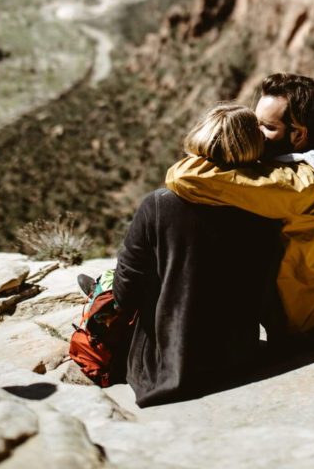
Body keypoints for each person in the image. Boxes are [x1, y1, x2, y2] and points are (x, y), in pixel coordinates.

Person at [166, 72, 314, 343]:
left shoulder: (292, 185)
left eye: (266, 127)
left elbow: (182, 176)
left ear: (298, 135)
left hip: (312, 326)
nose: (256, 133)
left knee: (173, 207)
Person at [112, 102, 279, 407]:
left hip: (167, 366)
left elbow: (125, 292)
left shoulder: (160, 204)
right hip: (237, 357)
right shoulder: (267, 208)